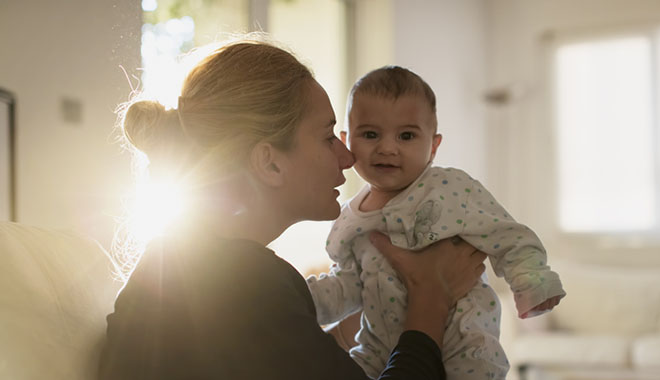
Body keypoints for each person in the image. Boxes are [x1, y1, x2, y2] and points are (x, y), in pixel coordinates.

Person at [98, 37, 488, 380]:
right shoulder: (244, 282)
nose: (347, 156)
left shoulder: (188, 267)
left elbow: (286, 360)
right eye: (326, 137)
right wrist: (430, 297)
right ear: (269, 163)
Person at [306, 66, 566, 379]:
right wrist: (302, 301)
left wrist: (532, 283)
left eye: (406, 135)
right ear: (347, 141)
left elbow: (509, 237)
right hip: (380, 350)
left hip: (463, 340)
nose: (387, 147)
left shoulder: (451, 189)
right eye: (370, 134)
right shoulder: (348, 218)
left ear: (433, 146)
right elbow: (348, 286)